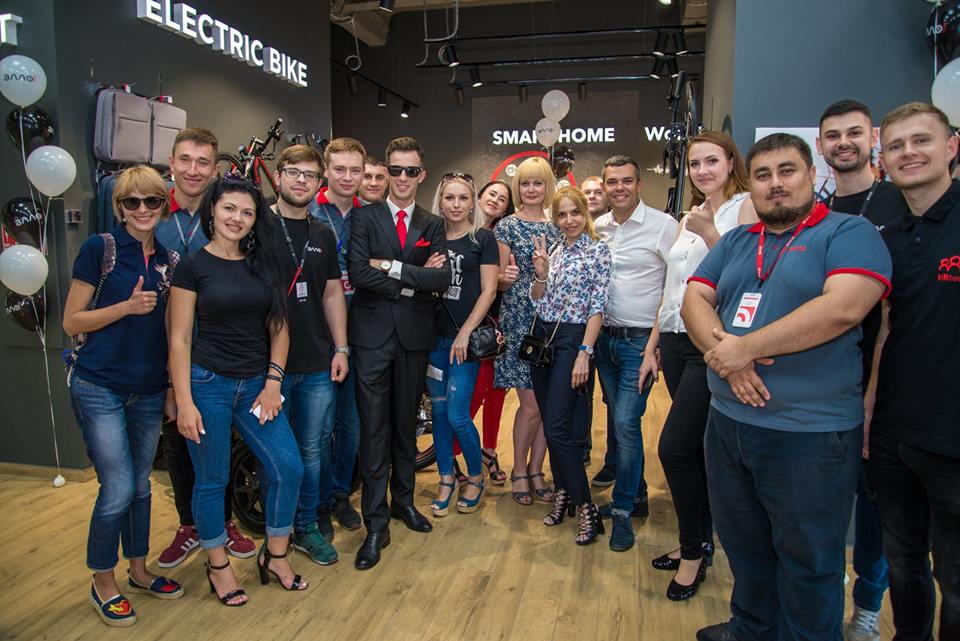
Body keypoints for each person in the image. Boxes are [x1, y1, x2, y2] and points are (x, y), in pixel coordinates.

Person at [684, 133, 892, 641]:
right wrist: (730, 361)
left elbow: (844, 307)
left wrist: (744, 348)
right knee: (745, 549)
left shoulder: (848, 232)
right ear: (750, 184)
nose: (775, 184)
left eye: (787, 171)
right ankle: (752, 630)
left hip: (809, 434)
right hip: (728, 424)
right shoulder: (737, 240)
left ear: (812, 175)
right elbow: (695, 299)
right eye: (763, 175)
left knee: (809, 563)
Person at [169, 174, 308, 606]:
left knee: (289, 468)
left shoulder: (263, 264)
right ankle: (218, 566)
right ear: (212, 210)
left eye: (247, 212)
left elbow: (280, 328)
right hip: (206, 385)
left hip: (256, 388)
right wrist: (184, 402)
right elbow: (179, 339)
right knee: (212, 479)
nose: (237, 218)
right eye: (229, 208)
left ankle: (276, 556)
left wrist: (273, 382)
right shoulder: (192, 266)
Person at [63, 165, 184, 626]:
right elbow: (71, 321)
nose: (142, 209)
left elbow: (171, 333)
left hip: (148, 390)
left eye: (151, 201)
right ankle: (102, 580)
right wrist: (126, 307)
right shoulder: (101, 249)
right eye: (131, 202)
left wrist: (170, 388)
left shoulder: (169, 260)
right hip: (99, 386)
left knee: (140, 487)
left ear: (163, 205)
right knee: (116, 487)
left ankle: (139, 569)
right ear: (119, 207)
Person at [645, 131, 755, 600]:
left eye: (712, 161)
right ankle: (699, 542)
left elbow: (748, 272)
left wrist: (710, 232)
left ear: (731, 163)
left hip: (708, 342)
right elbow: (672, 287)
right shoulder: (687, 216)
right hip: (673, 339)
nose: (703, 170)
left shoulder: (744, 207)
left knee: (672, 449)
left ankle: (693, 554)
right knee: (692, 452)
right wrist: (652, 345)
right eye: (695, 164)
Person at [869, 102, 960, 641]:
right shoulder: (890, 239)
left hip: (954, 437)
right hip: (896, 431)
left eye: (921, 140)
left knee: (956, 576)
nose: (909, 153)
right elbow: (886, 330)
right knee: (903, 562)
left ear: (951, 147)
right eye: (896, 146)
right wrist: (870, 410)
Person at [816, 99, 906, 641]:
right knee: (820, 503)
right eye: (833, 135)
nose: (843, 143)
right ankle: (820, 601)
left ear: (871, 138)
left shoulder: (900, 203)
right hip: (823, 377)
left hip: (886, 379)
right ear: (821, 146)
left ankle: (868, 606)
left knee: (875, 505)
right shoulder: (815, 208)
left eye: (853, 133)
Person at [347, 136, 451, 570]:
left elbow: (441, 280)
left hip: (414, 338)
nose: (402, 177)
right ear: (386, 172)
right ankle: (375, 522)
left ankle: (403, 502)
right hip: (371, 339)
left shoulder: (432, 223)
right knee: (374, 431)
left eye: (410, 170)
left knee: (406, 427)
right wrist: (412, 279)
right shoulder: (364, 217)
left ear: (421, 174)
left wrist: (389, 267)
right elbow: (358, 272)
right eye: (395, 170)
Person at [155, 128, 257, 568]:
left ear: (216, 170)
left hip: (220, 353)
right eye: (185, 160)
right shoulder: (152, 214)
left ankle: (223, 522)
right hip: (167, 345)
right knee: (178, 435)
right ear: (172, 163)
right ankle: (190, 526)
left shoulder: (231, 215)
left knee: (220, 442)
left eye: (202, 162)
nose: (193, 170)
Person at [268, 144, 349, 566]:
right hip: (267, 366)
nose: (301, 180)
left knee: (312, 451)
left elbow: (333, 293)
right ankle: (275, 531)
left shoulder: (322, 234)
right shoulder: (257, 224)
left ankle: (305, 527)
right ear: (278, 176)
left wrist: (341, 348)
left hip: (317, 362)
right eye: (294, 172)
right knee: (277, 455)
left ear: (320, 183)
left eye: (310, 175)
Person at [594, 155, 678, 552]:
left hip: (639, 343)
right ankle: (638, 493)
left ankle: (623, 509)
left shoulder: (663, 226)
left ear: (639, 184)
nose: (620, 188)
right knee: (617, 420)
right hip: (604, 340)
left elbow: (673, 290)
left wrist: (653, 348)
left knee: (627, 423)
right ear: (605, 187)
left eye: (627, 180)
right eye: (612, 182)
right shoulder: (598, 227)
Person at [530, 186, 610, 544]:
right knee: (553, 426)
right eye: (561, 214)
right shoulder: (556, 250)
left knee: (559, 427)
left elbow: (597, 306)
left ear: (585, 212)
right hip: (544, 339)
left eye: (574, 212)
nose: (568, 220)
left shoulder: (597, 250)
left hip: (573, 340)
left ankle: (586, 505)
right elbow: (538, 298)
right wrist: (541, 273)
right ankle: (563, 492)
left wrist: (584, 352)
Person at [427, 173, 499, 516]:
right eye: (449, 198)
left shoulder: (482, 239)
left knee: (457, 414)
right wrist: (424, 268)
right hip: (434, 341)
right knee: (439, 413)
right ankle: (446, 477)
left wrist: (466, 332)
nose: (456, 204)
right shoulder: (432, 238)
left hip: (464, 342)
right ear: (441, 202)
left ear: (473, 203)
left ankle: (475, 476)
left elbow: (489, 290)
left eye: (463, 198)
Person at [494, 156, 561, 505]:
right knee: (531, 405)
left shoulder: (559, 227)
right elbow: (499, 283)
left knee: (548, 404)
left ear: (548, 186)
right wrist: (504, 279)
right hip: (520, 323)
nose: (531, 189)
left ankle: (537, 470)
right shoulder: (507, 226)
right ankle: (519, 469)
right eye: (524, 183)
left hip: (553, 323)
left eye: (537, 182)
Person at [310, 137, 366, 540]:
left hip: (360, 336)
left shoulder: (369, 215)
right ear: (326, 170)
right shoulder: (307, 211)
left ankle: (340, 493)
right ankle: (316, 504)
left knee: (351, 425)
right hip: (315, 336)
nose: (347, 177)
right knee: (318, 427)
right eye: (340, 169)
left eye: (355, 170)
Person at [459, 179, 515, 486]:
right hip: (456, 321)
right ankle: (454, 453)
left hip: (493, 323)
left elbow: (500, 285)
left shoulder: (502, 236)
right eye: (492, 194)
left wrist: (506, 279)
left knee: (495, 390)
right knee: (468, 395)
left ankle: (489, 451)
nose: (495, 200)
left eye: (502, 198)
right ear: (479, 197)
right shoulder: (456, 227)